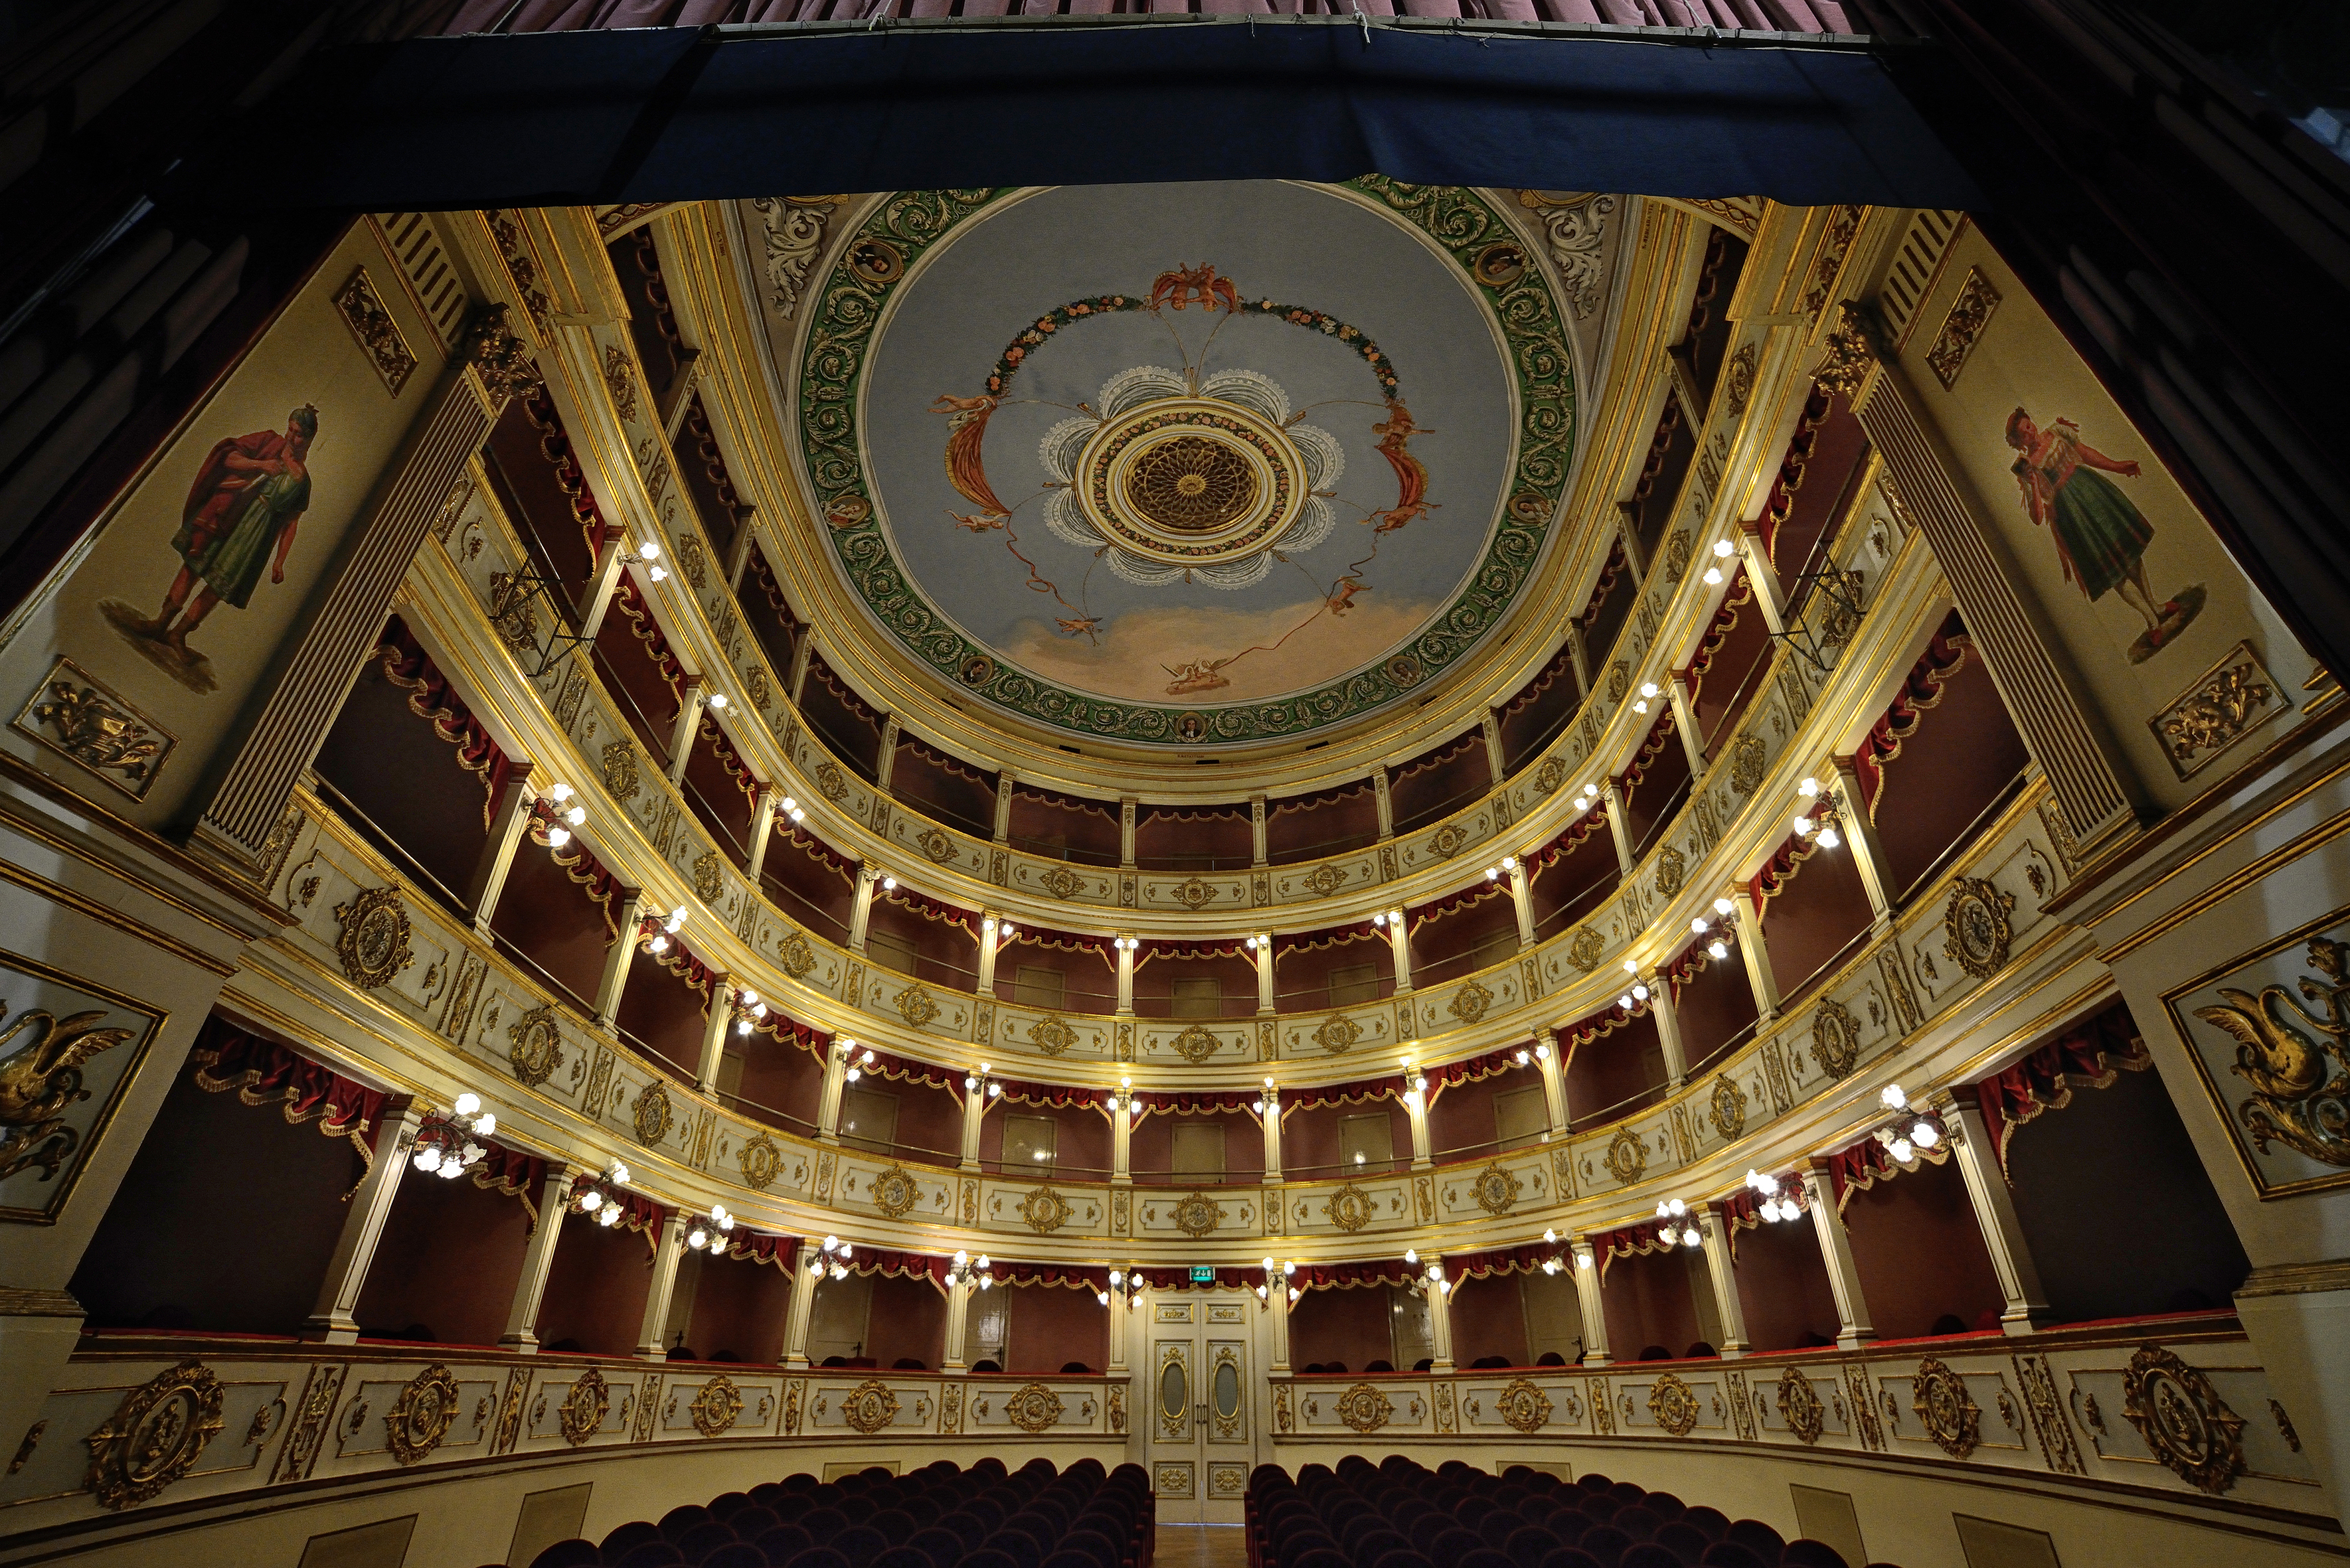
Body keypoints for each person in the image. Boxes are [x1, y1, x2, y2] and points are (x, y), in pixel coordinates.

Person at [134, 405, 319, 655]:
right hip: (232, 515)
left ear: (309, 439)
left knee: (218, 588)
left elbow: (291, 523)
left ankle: (178, 635)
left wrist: (279, 562)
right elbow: (228, 457)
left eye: (298, 434)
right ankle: (161, 623)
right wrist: (261, 464)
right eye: (290, 429)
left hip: (257, 538)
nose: (291, 437)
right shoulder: (269, 442)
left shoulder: (303, 483)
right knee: (194, 566)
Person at [2004, 406, 2181, 649]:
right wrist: (2033, 482)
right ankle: (2151, 621)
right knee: (2114, 570)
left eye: (2030, 424)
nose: (2031, 430)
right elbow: (2036, 516)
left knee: (2129, 553)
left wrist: (2117, 466)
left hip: (2092, 491)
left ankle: (2158, 607)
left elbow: (2085, 454)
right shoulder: (2027, 468)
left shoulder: (2056, 432)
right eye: (2025, 432)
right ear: (2018, 442)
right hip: (2071, 515)